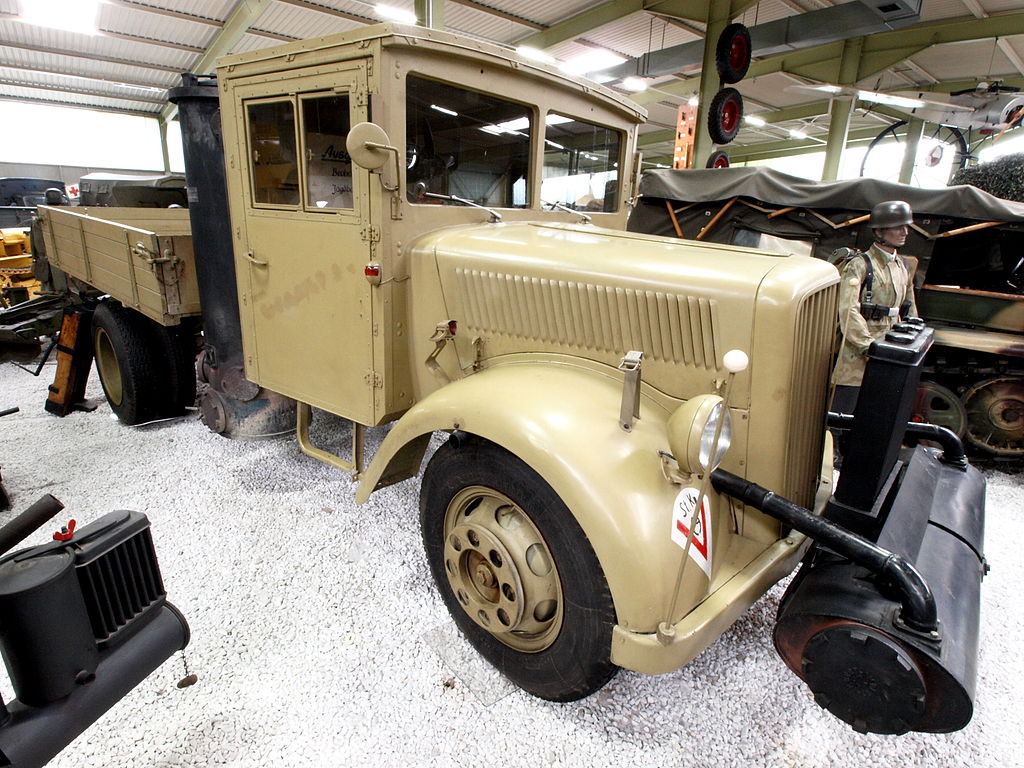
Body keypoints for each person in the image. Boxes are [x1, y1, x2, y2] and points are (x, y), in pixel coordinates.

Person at [831, 200, 919, 423]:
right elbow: (848, 310)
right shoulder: (860, 265)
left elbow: (909, 308)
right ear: (880, 231)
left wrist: (914, 339)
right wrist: (867, 346)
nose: (904, 232)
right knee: (844, 414)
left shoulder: (902, 266)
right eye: (897, 227)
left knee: (878, 415)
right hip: (859, 353)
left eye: (905, 226)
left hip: (890, 349)